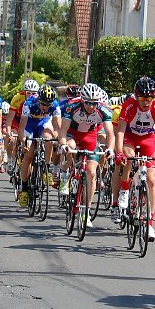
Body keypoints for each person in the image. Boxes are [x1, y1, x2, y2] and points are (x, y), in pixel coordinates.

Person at [113, 77, 155, 241]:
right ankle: (124, 191)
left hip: (148, 139)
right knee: (129, 157)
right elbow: (120, 131)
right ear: (136, 96)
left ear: (154, 96)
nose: (146, 102)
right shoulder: (129, 105)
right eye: (142, 98)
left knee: (152, 180)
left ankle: (149, 223)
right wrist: (119, 153)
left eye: (149, 98)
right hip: (130, 137)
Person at [57, 83, 115, 228]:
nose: (91, 106)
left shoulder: (103, 109)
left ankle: (87, 211)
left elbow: (110, 133)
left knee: (91, 172)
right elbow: (63, 130)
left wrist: (110, 149)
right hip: (72, 133)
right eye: (88, 103)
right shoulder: (72, 106)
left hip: (90, 136)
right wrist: (63, 144)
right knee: (70, 147)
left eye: (94, 103)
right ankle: (64, 174)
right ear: (82, 100)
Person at [17, 84, 60, 208]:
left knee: (49, 138)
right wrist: (23, 141)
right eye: (43, 104)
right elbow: (21, 128)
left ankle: (46, 169)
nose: (46, 107)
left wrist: (59, 140)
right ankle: (24, 189)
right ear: (38, 100)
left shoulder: (55, 105)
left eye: (48, 105)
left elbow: (58, 127)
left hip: (43, 123)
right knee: (28, 155)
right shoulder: (29, 104)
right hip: (29, 125)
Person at [6, 79, 40, 172]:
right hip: (17, 119)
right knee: (13, 139)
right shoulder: (17, 98)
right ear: (24, 92)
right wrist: (8, 131)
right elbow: (9, 118)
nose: (31, 95)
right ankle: (10, 160)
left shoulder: (39, 99)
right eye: (28, 93)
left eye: (34, 93)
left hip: (29, 121)